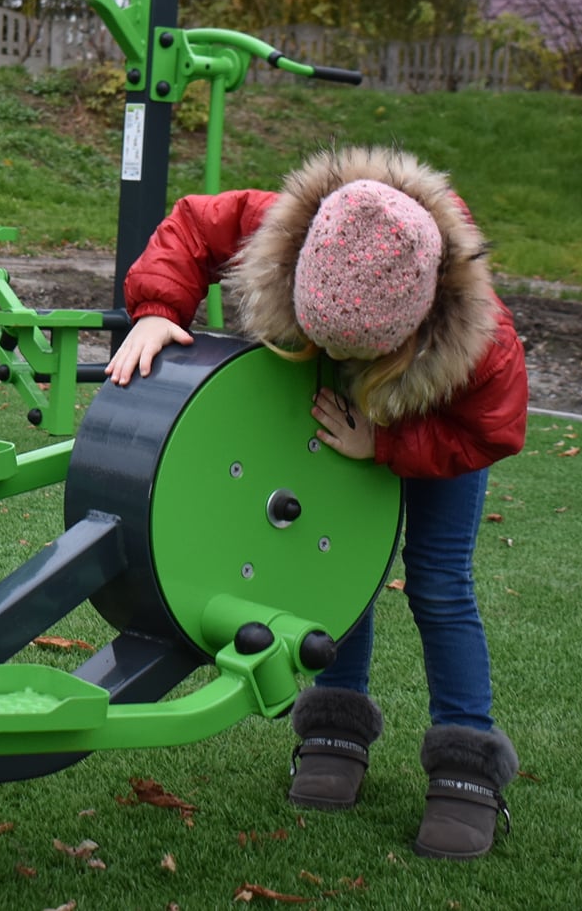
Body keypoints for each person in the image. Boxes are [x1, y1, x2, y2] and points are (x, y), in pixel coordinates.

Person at [106, 145, 528, 860]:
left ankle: (467, 765)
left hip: (435, 428)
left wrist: (389, 449)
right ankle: (335, 728)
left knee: (439, 582)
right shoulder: (292, 223)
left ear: (416, 322)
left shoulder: (482, 344)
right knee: (339, 563)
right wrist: (156, 308)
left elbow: (493, 432)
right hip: (342, 416)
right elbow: (190, 226)